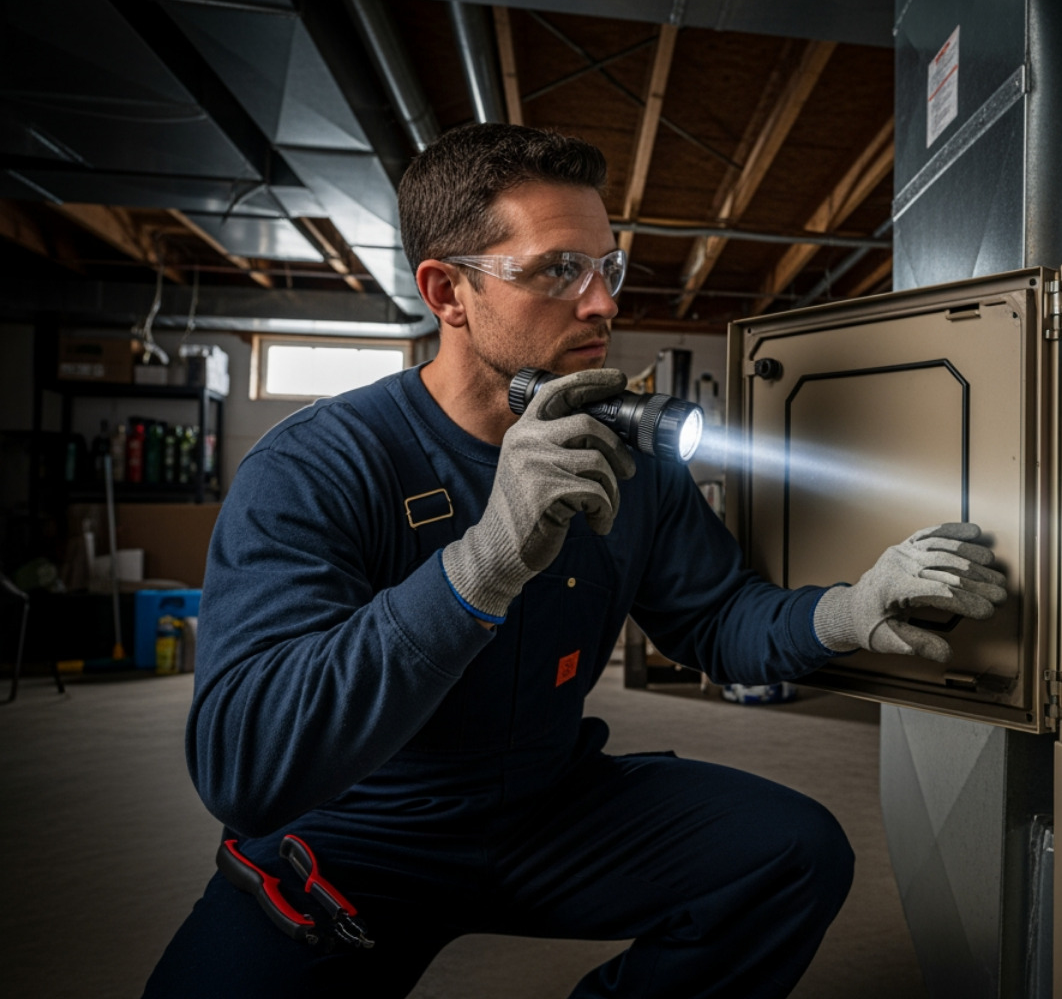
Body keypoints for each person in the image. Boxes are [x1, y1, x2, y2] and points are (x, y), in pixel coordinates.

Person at [142, 123, 1007, 999]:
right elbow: (243, 767)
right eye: (559, 270)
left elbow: (714, 619)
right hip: (358, 832)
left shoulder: (623, 458)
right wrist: (484, 560)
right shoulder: (317, 465)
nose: (602, 303)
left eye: (609, 268)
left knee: (793, 852)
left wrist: (851, 610)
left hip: (546, 808)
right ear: (448, 291)